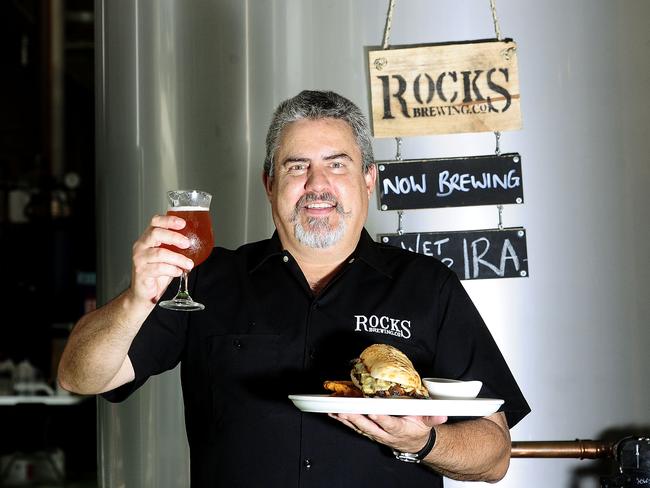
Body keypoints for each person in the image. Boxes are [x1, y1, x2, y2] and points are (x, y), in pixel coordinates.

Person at [58, 90, 530, 487]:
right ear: (269, 184)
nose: (316, 185)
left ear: (370, 179)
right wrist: (137, 299)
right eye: (296, 166)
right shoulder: (206, 277)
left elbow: (494, 455)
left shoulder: (428, 285)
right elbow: (81, 376)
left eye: (337, 165)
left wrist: (422, 442)